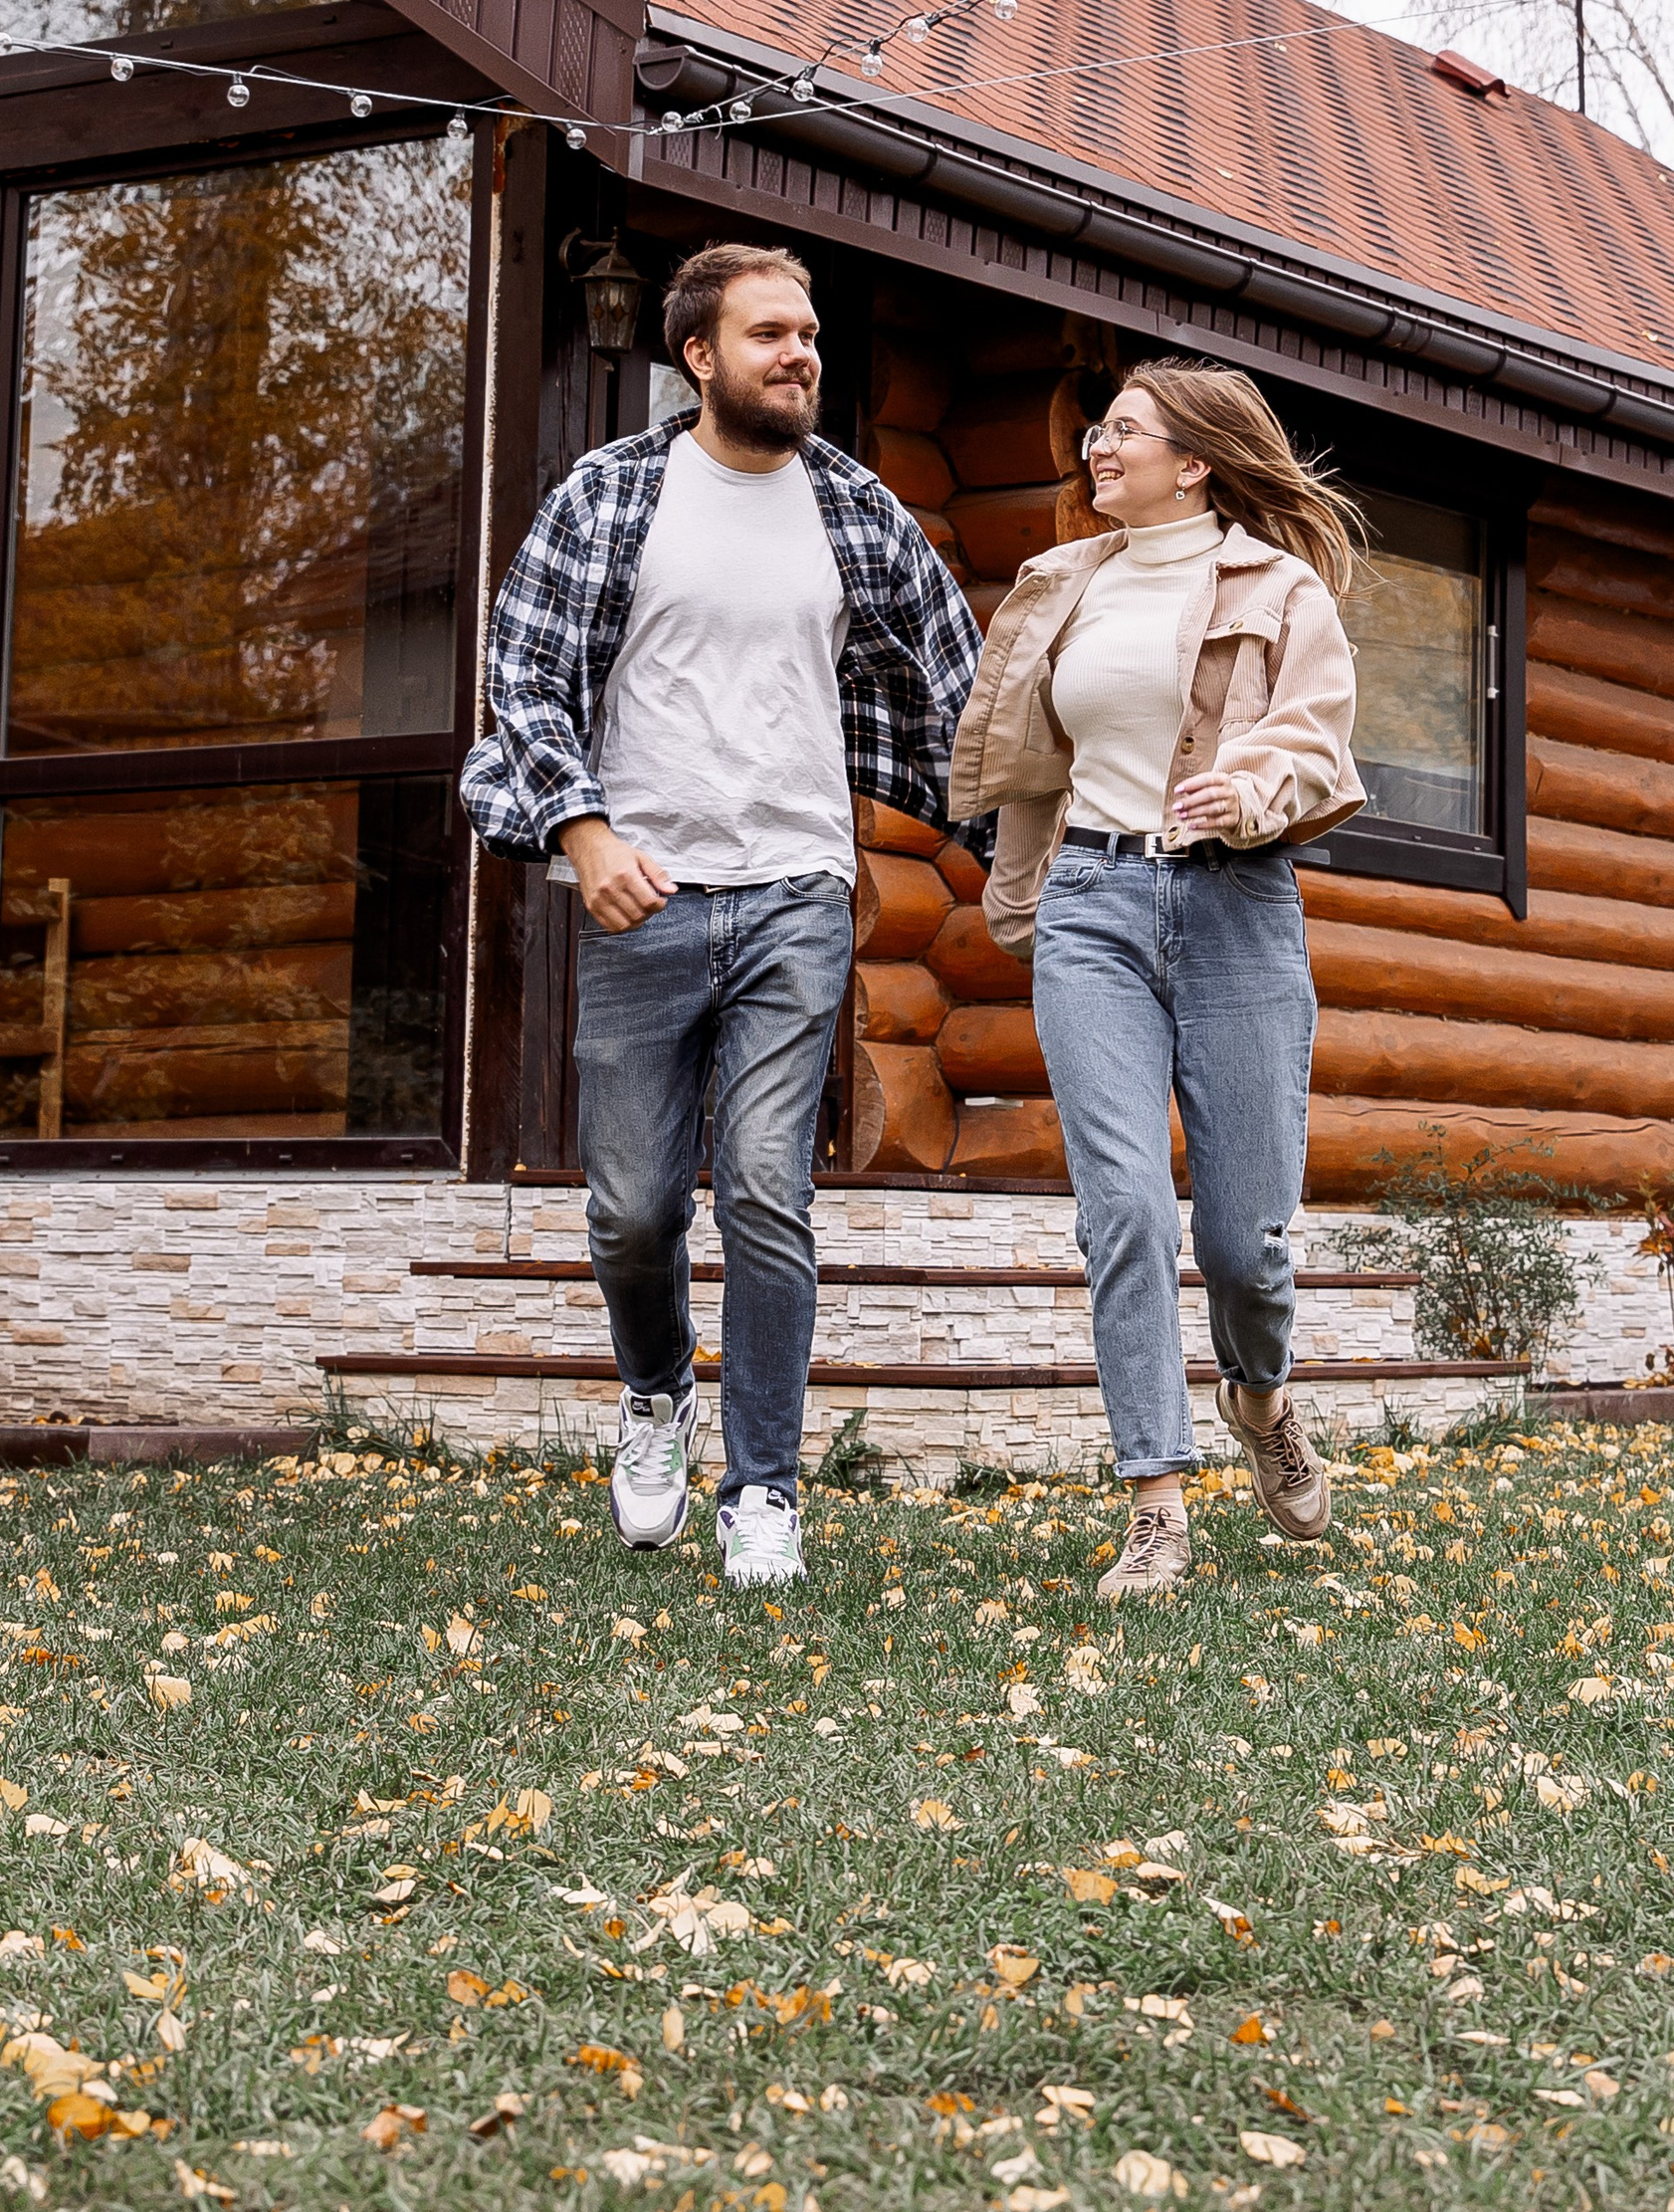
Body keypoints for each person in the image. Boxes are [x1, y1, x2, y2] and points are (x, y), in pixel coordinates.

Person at [464, 242, 981, 1586]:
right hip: (643, 893)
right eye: (770, 333)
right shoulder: (616, 492)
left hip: (799, 890)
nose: (801, 352)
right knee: (633, 1206)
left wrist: (1036, 838)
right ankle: (652, 1395)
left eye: (809, 333)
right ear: (699, 354)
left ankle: (764, 1487)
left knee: (765, 1188)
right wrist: (582, 831)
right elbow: (522, 674)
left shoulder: (859, 514)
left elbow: (969, 697)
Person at [947, 360, 1363, 1600]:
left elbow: (1316, 735)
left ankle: (1261, 1396)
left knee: (1245, 1241)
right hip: (1092, 904)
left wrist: (1248, 790)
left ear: (1193, 460)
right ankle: (1155, 1504)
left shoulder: (1280, 588)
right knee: (1120, 1206)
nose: (1096, 446)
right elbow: (1024, 760)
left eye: (1122, 430)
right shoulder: (1057, 587)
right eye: (1095, 429)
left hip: (1235, 905)